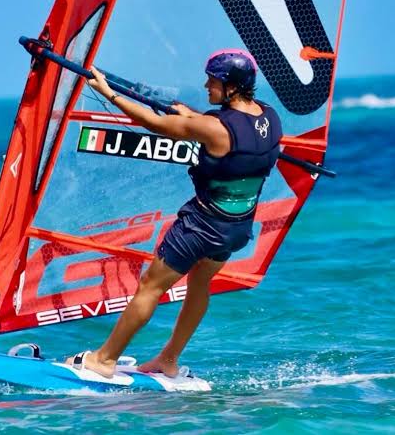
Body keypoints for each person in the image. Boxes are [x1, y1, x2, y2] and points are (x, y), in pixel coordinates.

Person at [66, 49, 283, 378]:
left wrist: (108, 92)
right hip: (237, 227)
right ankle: (168, 359)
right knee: (200, 282)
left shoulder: (215, 128)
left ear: (232, 86)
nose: (207, 85)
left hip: (202, 225)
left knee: (150, 286)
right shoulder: (269, 117)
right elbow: (224, 128)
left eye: (213, 81)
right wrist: (193, 117)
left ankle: (104, 360)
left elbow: (154, 123)